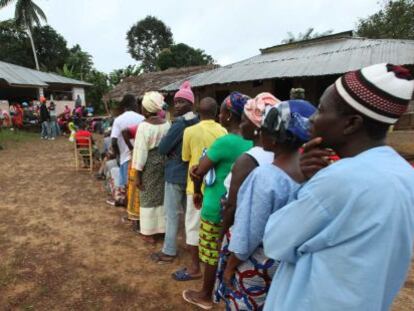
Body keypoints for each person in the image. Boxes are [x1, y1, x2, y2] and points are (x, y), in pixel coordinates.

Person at [263, 63, 414, 311]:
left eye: (321, 110)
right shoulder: (403, 173)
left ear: (351, 123)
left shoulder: (340, 179)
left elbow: (276, 241)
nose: (312, 118)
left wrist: (305, 184)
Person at [214, 100, 316, 310]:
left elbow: (249, 231)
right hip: (284, 264)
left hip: (256, 265)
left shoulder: (265, 176)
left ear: (274, 139)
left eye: (264, 129)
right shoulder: (308, 174)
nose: (259, 132)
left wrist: (230, 266)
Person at [182, 92, 253, 310]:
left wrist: (197, 184)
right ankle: (224, 292)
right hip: (240, 207)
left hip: (216, 205)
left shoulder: (225, 142)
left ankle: (205, 295)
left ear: (229, 116)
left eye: (222, 111)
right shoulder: (253, 142)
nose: (219, 115)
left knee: (211, 254)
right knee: (229, 251)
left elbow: (199, 170)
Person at [166, 97, 227, 277]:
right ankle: (209, 263)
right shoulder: (223, 131)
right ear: (216, 113)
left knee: (192, 226)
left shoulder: (190, 131)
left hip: (195, 185)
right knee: (212, 226)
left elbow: (185, 158)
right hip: (217, 187)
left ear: (198, 112)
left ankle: (194, 268)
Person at [150, 81, 199, 261]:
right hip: (192, 173)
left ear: (190, 104)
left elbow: (163, 148)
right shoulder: (197, 121)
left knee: (171, 214)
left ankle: (169, 250)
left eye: (181, 102)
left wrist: (170, 150)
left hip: (175, 172)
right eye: (176, 101)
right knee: (191, 214)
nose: (177, 105)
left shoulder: (179, 124)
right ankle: (194, 246)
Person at [221, 92, 279, 237]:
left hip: (243, 231)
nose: (241, 125)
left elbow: (232, 206)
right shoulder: (276, 154)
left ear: (255, 124)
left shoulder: (248, 159)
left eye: (243, 121)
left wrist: (222, 233)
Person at [132, 91, 171, 244]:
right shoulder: (167, 124)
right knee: (161, 195)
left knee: (147, 196)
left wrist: (137, 174)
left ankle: (149, 233)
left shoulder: (144, 127)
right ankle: (162, 229)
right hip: (164, 162)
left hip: (148, 164)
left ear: (147, 110)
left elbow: (140, 151)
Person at [109, 94, 144, 206]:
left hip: (125, 158)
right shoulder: (142, 118)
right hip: (140, 158)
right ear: (134, 104)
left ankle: (130, 213)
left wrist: (117, 155)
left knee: (127, 187)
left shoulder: (118, 120)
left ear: (124, 106)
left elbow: (114, 141)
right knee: (139, 187)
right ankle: (137, 214)